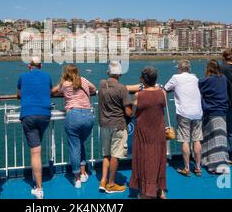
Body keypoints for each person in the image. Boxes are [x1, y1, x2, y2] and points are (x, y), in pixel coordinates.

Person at [51, 64, 96, 188]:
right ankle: (83, 173)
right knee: (81, 143)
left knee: (74, 147)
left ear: (66, 73)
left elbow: (53, 91)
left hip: (74, 115)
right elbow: (93, 89)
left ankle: (77, 178)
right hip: (88, 115)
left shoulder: (64, 84)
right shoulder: (84, 80)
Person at [17, 56, 53, 199]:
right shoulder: (47, 76)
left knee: (35, 152)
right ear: (41, 65)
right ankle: (37, 179)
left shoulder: (23, 76)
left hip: (28, 115)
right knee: (38, 148)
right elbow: (49, 91)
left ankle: (39, 188)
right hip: (44, 114)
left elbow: (18, 94)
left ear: (29, 66)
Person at [129, 67, 167, 199]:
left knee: (144, 159)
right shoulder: (163, 93)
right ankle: (159, 189)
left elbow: (133, 113)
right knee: (159, 159)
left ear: (143, 79)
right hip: (158, 132)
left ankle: (146, 192)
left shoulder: (139, 95)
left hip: (143, 133)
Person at [98, 61, 132, 194]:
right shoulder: (122, 89)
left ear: (108, 73)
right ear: (120, 74)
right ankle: (111, 184)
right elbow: (128, 112)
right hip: (118, 125)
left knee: (106, 154)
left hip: (104, 124)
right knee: (115, 156)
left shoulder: (102, 85)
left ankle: (103, 181)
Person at [164, 60, 203, 176]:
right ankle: (198, 167)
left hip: (184, 113)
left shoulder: (175, 78)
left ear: (179, 69)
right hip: (197, 112)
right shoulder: (195, 78)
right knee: (197, 139)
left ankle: (186, 168)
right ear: (189, 69)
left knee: (185, 140)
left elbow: (165, 89)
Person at [198, 60, 230, 174]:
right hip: (222, 111)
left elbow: (198, 88)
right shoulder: (223, 79)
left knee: (211, 138)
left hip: (210, 111)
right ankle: (222, 162)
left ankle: (213, 163)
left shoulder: (206, 80)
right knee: (220, 138)